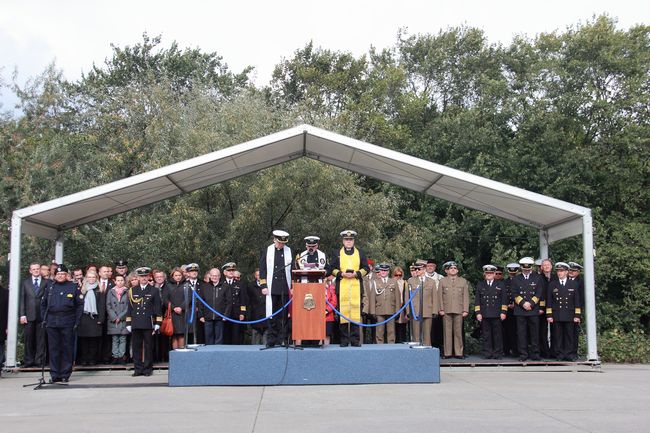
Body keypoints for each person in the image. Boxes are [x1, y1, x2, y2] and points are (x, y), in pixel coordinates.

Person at [40, 264, 84, 383]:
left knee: (66, 348)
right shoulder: (50, 286)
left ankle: (65, 374)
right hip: (52, 320)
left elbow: (80, 305)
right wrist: (44, 318)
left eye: (63, 274)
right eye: (58, 274)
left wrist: (77, 320)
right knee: (53, 348)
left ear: (67, 275)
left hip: (68, 320)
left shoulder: (73, 287)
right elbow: (43, 304)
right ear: (55, 275)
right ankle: (54, 374)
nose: (60, 276)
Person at [329, 230, 370, 347]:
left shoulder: (360, 253)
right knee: (343, 314)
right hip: (342, 288)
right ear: (343, 241)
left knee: (355, 313)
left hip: (356, 287)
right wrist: (341, 274)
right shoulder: (337, 253)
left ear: (353, 241)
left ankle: (355, 339)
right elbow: (331, 268)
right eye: (346, 240)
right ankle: (344, 340)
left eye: (350, 240)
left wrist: (356, 274)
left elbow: (366, 268)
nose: (348, 242)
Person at [259, 230, 293, 348]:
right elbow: (262, 269)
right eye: (279, 242)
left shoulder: (289, 251)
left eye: (283, 243)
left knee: (283, 315)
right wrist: (263, 285)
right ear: (274, 240)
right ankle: (271, 339)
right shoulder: (268, 250)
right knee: (272, 314)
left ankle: (282, 338)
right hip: (271, 287)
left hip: (284, 286)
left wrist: (292, 286)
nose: (281, 245)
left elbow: (292, 270)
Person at [126, 267, 162, 377]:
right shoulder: (133, 290)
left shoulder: (154, 290)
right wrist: (128, 323)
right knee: (136, 347)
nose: (143, 278)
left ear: (149, 277)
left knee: (148, 347)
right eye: (141, 276)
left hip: (148, 322)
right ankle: (137, 369)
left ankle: (147, 369)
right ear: (138, 277)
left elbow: (158, 308)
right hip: (136, 322)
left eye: (145, 276)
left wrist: (158, 323)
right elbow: (130, 308)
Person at [546, 262, 582, 361]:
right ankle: (559, 354)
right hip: (556, 314)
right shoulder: (552, 284)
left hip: (569, 314)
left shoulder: (573, 284)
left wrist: (577, 315)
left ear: (566, 272)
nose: (559, 273)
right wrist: (549, 314)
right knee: (558, 336)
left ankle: (569, 354)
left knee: (569, 335)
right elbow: (549, 301)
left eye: (561, 271)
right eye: (558, 271)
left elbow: (577, 301)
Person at [511, 256, 544, 361]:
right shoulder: (516, 278)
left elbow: (539, 293)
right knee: (521, 334)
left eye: (528, 269)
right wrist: (523, 303)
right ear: (521, 268)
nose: (526, 271)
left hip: (533, 310)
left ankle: (535, 354)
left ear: (531, 268)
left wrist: (531, 303)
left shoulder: (537, 278)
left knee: (535, 333)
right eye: (524, 269)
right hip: (520, 310)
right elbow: (514, 293)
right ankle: (523, 355)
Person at [474, 265, 508, 359]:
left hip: (497, 314)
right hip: (484, 314)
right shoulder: (480, 284)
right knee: (486, 335)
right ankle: (487, 353)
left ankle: (498, 353)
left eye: (491, 273)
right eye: (487, 273)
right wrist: (478, 313)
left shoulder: (500, 284)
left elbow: (504, 299)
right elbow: (477, 300)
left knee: (498, 335)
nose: (489, 275)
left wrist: (503, 312)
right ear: (484, 274)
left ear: (494, 274)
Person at [363, 263, 401, 344]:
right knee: (379, 331)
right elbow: (372, 298)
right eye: (382, 270)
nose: (383, 272)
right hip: (379, 310)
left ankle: (391, 346)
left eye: (385, 270)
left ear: (388, 272)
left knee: (391, 331)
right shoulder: (375, 282)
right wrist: (372, 312)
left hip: (391, 309)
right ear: (379, 271)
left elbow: (397, 297)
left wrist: (398, 311)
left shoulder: (393, 281)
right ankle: (380, 347)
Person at [407, 261, 442, 346]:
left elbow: (434, 297)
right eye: (416, 269)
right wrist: (408, 311)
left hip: (427, 310)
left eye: (419, 269)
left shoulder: (431, 281)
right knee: (416, 334)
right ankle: (416, 353)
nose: (417, 270)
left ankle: (427, 352)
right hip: (415, 311)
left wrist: (434, 311)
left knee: (427, 334)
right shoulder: (411, 281)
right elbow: (407, 298)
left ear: (424, 269)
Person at [19, 263, 48, 368]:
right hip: (29, 315)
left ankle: (39, 360)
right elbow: (22, 299)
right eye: (34, 269)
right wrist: (22, 314)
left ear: (40, 270)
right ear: (30, 271)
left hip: (42, 315)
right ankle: (28, 360)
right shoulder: (25, 282)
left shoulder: (46, 282)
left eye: (37, 269)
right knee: (28, 339)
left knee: (41, 339)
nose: (36, 270)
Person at [440, 261, 470, 359]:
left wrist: (465, 309)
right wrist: (440, 309)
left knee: (458, 332)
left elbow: (466, 296)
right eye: (451, 268)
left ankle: (459, 353)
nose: (453, 270)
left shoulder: (463, 281)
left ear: (457, 270)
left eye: (455, 268)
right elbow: (439, 296)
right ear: (446, 270)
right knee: (447, 332)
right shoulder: (442, 281)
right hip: (446, 309)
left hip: (459, 309)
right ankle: (447, 353)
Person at [77, 269, 106, 366]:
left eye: (93, 277)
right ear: (86, 278)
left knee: (93, 340)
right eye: (89, 277)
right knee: (84, 340)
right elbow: (78, 305)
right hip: (84, 317)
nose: (91, 279)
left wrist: (101, 319)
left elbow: (102, 305)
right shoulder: (82, 289)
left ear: (96, 278)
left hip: (95, 318)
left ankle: (93, 359)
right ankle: (84, 359)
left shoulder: (100, 289)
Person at [198, 268, 227, 345]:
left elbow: (229, 302)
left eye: (216, 275)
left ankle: (218, 354)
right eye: (213, 275)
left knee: (219, 338)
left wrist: (226, 315)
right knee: (208, 337)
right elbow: (200, 302)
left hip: (220, 317)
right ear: (210, 276)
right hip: (207, 317)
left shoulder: (225, 287)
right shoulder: (204, 287)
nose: (214, 277)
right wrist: (201, 315)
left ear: (219, 276)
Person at [222, 263, 248, 345]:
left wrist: (242, 313)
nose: (231, 272)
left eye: (232, 270)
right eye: (229, 270)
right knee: (225, 337)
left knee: (236, 337)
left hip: (236, 314)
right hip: (224, 314)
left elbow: (243, 300)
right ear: (224, 272)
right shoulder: (221, 284)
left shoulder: (240, 284)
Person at [106, 275, 129, 364]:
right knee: (115, 338)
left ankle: (121, 356)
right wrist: (114, 317)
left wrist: (120, 317)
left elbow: (128, 306)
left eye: (121, 280)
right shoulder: (110, 291)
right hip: (113, 320)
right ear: (115, 281)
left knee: (123, 338)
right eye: (118, 280)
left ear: (124, 281)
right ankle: (115, 356)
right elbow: (108, 305)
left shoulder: (127, 291)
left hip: (123, 319)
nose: (120, 282)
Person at [167, 268, 190, 350]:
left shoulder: (187, 284)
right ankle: (175, 355)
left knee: (181, 334)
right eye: (176, 275)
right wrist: (174, 308)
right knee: (174, 334)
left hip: (182, 313)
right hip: (172, 313)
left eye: (179, 275)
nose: (178, 277)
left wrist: (181, 307)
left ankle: (182, 355)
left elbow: (189, 298)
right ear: (172, 276)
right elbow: (165, 299)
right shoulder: (168, 285)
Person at [152, 269, 170, 362]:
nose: (159, 278)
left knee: (165, 336)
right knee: (155, 337)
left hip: (165, 314)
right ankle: (156, 357)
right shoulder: (152, 287)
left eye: (161, 277)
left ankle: (165, 357)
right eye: (157, 277)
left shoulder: (169, 287)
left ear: (164, 277)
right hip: (154, 315)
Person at [502, 262, 520, 357]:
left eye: (514, 272)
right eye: (511, 272)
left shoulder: (521, 281)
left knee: (518, 331)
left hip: (519, 309)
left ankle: (517, 350)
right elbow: (504, 296)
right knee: (507, 331)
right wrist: (508, 305)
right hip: (508, 310)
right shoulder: (505, 282)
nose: (512, 274)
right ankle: (506, 350)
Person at [568, 262, 584, 359]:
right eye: (570, 270)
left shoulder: (581, 282)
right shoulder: (564, 280)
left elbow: (581, 298)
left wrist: (578, 313)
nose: (571, 272)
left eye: (574, 271)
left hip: (575, 311)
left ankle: (574, 352)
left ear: (578, 272)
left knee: (574, 333)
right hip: (565, 310)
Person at [247, 269, 267, 345]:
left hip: (266, 314)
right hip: (255, 314)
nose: (260, 276)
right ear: (255, 276)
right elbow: (248, 299)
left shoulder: (269, 284)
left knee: (266, 336)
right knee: (255, 338)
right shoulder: (250, 285)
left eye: (261, 274)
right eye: (258, 275)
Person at [392, 266, 409, 343]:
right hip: (394, 306)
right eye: (396, 275)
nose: (398, 277)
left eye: (400, 275)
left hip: (403, 306)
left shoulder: (405, 283)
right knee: (394, 326)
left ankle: (403, 341)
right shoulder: (391, 282)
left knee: (403, 325)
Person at [324, 275, 338, 346]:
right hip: (317, 316)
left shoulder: (331, 288)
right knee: (319, 335)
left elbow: (334, 302)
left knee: (327, 334)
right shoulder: (315, 287)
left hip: (328, 316)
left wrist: (327, 310)